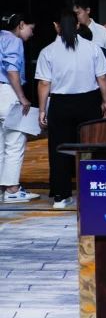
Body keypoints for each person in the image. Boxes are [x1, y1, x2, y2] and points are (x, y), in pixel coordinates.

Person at [37, 9, 106, 209]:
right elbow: (102, 77)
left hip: (60, 104)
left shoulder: (48, 51)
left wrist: (42, 110)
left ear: (56, 26)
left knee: (59, 149)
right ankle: (93, 193)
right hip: (88, 102)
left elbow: (44, 83)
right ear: (78, 25)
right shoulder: (93, 48)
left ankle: (61, 196)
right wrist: (105, 101)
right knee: (89, 147)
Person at [0, 13, 36, 203]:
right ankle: (12, 189)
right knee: (14, 142)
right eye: (31, 28)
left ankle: (1, 189)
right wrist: (22, 97)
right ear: (21, 25)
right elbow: (12, 69)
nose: (32, 33)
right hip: (7, 92)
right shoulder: (14, 40)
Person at [67, 0, 106, 76]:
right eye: (72, 15)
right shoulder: (67, 34)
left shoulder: (104, 33)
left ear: (87, 10)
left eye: (78, 13)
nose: (75, 17)